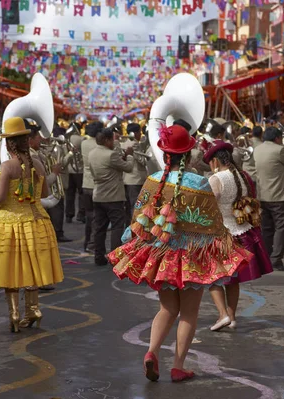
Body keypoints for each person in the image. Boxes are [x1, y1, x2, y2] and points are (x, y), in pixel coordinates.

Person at [108, 124, 252, 382]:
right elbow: (215, 225)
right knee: (189, 313)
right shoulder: (200, 183)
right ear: (188, 154)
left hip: (162, 255)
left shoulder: (153, 180)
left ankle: (151, 352)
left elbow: (138, 218)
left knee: (166, 309)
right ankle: (177, 366)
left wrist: (126, 242)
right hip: (193, 257)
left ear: (166, 155)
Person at [0, 117, 64, 333]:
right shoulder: (36, 164)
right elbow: (45, 193)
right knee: (32, 267)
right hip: (38, 223)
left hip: (9, 225)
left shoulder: (7, 166)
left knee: (11, 270)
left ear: (9, 144)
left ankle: (14, 314)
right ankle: (33, 310)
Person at [203, 140, 272, 331]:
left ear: (215, 161)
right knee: (233, 280)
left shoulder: (216, 179)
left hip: (221, 233)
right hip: (242, 232)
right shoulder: (242, 175)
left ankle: (223, 314)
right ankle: (232, 318)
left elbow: (209, 206)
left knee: (213, 277)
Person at [253, 126, 284, 271]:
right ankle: (276, 259)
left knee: (267, 228)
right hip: (278, 195)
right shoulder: (279, 150)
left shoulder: (258, 149)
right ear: (277, 138)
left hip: (263, 194)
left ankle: (266, 256)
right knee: (281, 227)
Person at [88, 127, 134, 266]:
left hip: (98, 195)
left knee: (99, 228)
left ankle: (99, 256)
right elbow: (128, 168)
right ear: (107, 140)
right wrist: (130, 155)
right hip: (113, 197)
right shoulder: (110, 155)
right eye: (112, 139)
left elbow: (113, 166)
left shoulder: (92, 153)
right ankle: (115, 257)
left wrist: (122, 157)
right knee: (117, 226)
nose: (114, 142)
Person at [81, 121, 102, 253]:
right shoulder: (98, 145)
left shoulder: (84, 143)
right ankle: (93, 243)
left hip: (85, 183)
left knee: (89, 215)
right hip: (96, 183)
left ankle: (87, 241)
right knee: (97, 217)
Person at [121, 123, 148, 225]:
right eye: (139, 131)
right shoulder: (135, 144)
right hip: (135, 179)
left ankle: (128, 226)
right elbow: (142, 161)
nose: (140, 133)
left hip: (126, 179)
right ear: (135, 133)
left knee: (128, 206)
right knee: (135, 206)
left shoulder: (123, 143)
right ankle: (135, 228)